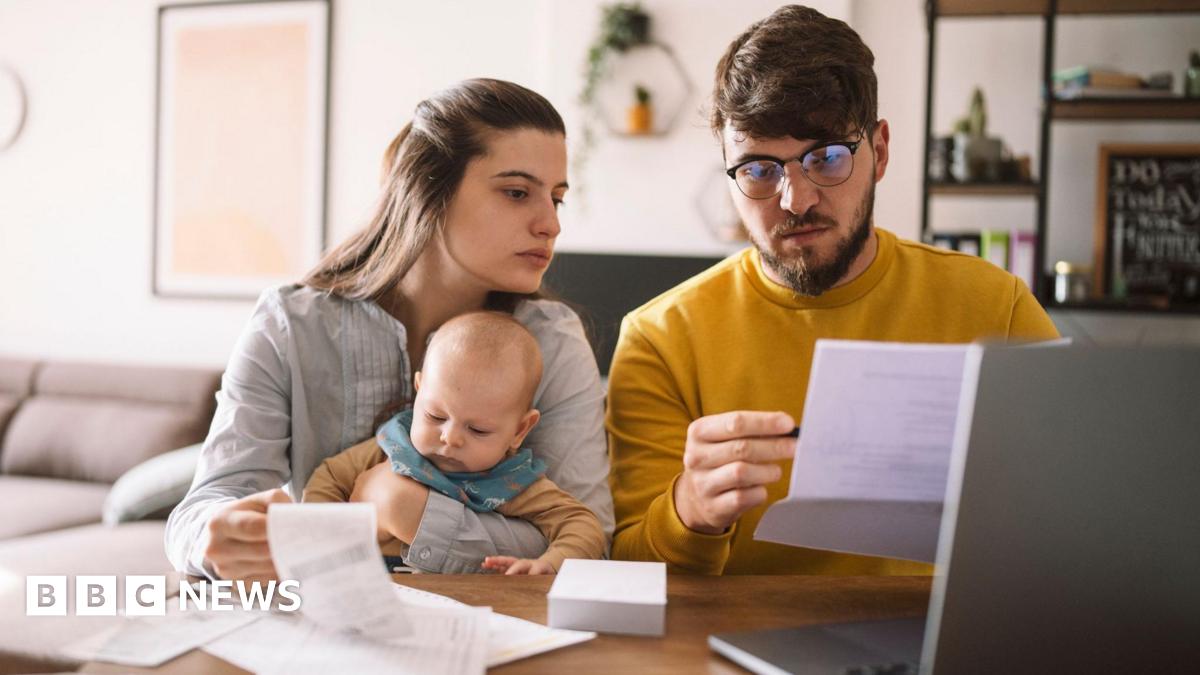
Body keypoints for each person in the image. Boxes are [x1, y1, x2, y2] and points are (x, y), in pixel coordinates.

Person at [606, 5, 1059, 576]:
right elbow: (626, 573)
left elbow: (1076, 514)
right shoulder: (659, 339)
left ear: (882, 152)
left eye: (827, 157)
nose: (796, 200)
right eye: (759, 169)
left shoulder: (998, 308)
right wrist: (690, 512)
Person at [166, 79, 614, 583]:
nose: (550, 224)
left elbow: (590, 539)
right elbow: (202, 508)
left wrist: (405, 509)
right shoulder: (290, 326)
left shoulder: (553, 340)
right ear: (428, 192)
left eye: (557, 199)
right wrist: (212, 537)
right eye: (516, 193)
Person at [303, 311, 606, 575]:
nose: (450, 437)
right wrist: (322, 542)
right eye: (435, 416)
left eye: (478, 430)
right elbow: (329, 477)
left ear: (520, 429)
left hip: (465, 600)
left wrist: (551, 563)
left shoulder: (512, 481)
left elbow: (583, 525)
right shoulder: (393, 446)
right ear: (419, 390)